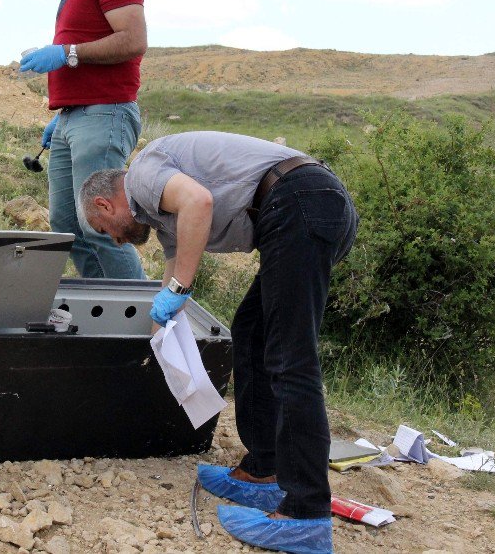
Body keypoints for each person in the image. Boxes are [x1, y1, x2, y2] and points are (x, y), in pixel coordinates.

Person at [79, 131, 358, 553]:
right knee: (251, 333)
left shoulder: (143, 175)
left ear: (104, 204)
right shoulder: (160, 214)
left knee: (290, 359)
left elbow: (200, 203)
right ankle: (266, 469)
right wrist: (163, 326)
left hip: (300, 201)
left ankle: (306, 513)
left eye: (107, 231)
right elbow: (175, 259)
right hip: (301, 206)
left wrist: (180, 289)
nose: (117, 239)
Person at [19, 0, 146, 280]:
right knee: (67, 225)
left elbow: (134, 39)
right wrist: (67, 114)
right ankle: (104, 310)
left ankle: (139, 324)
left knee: (100, 223)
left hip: (103, 114)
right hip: (77, 118)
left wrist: (67, 53)